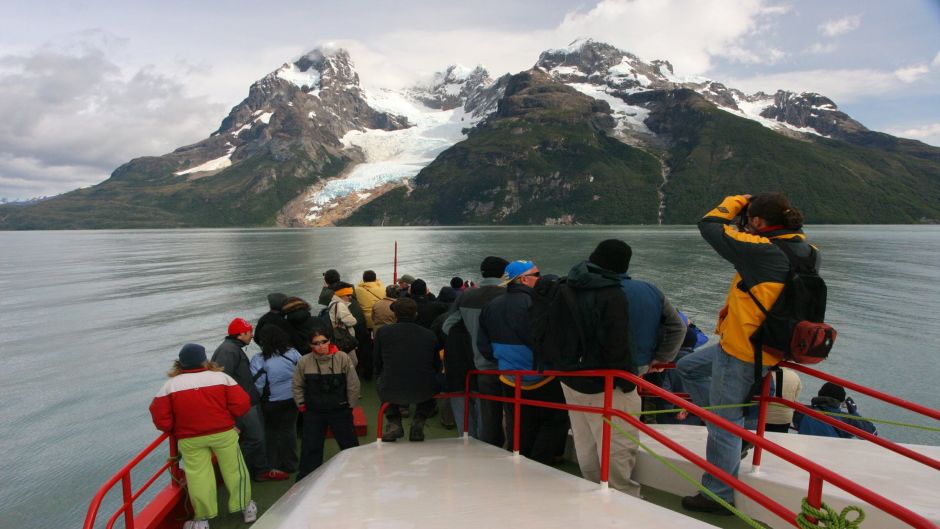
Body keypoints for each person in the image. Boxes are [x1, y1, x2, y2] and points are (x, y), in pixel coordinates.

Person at [679, 193, 814, 515]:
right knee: (689, 367)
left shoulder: (761, 251)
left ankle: (718, 494)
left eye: (750, 218)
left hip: (743, 350)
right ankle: (735, 433)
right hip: (766, 345)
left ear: (757, 221)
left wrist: (738, 200)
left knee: (724, 423)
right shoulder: (807, 250)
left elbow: (710, 225)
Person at [540, 241, 650, 496]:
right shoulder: (612, 294)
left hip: (570, 378)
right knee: (618, 444)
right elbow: (618, 344)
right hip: (605, 383)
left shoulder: (564, 286)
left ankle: (593, 489)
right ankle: (622, 496)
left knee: (585, 440)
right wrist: (628, 382)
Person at [149, 344, 257, 528]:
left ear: (181, 364)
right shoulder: (221, 378)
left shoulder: (170, 385)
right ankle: (245, 507)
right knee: (235, 469)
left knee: (198, 476)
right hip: (223, 433)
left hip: (190, 438)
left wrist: (173, 428)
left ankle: (203, 519)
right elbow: (242, 404)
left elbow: (159, 415)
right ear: (204, 360)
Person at [478, 260, 569, 465]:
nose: (540, 277)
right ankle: (540, 461)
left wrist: (503, 360)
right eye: (537, 274)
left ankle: (522, 461)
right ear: (523, 279)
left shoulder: (492, 305)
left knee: (521, 422)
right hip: (541, 376)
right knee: (555, 419)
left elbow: (483, 344)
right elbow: (545, 342)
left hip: (508, 377)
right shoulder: (536, 305)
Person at [442, 256, 509, 446]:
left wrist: (470, 335)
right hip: (502, 362)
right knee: (503, 409)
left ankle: (470, 443)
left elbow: (448, 326)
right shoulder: (508, 295)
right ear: (504, 274)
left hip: (472, 359)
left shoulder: (467, 295)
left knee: (480, 404)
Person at [211, 318, 289, 482]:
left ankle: (260, 469)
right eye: (249, 332)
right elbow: (221, 379)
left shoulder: (231, 349)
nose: (252, 336)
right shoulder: (228, 351)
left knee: (256, 437)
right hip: (243, 404)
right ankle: (239, 473)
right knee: (256, 438)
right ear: (241, 334)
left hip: (247, 401)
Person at [293, 329, 361, 480]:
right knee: (311, 447)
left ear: (329, 341)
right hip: (314, 412)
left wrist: (350, 405)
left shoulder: (342, 358)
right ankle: (307, 477)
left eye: (324, 342)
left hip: (340, 409)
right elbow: (297, 385)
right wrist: (302, 405)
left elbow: (353, 383)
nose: (321, 346)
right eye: (316, 343)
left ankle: (356, 471)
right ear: (310, 345)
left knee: (349, 444)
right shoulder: (304, 362)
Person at [374, 298, 442, 442]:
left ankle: (394, 422)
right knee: (432, 386)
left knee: (383, 382)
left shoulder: (383, 332)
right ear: (415, 314)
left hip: (391, 388)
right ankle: (419, 419)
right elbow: (437, 365)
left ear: (395, 315)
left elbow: (377, 362)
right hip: (424, 389)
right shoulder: (429, 334)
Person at [250, 326, 303, 474]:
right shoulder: (293, 354)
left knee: (271, 433)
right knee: (289, 430)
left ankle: (272, 465)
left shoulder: (259, 360)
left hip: (271, 402)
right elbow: (302, 373)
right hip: (292, 398)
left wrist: (258, 398)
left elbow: (258, 384)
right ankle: (291, 463)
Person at [793, 383, 877, 438]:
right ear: (840, 402)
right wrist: (854, 413)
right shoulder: (846, 419)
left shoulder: (801, 412)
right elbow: (873, 433)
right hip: (829, 459)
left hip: (804, 455)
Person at [354, 271, 384, 381]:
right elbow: (378, 281)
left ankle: (367, 370)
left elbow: (359, 286)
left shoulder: (358, 290)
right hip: (378, 320)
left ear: (363, 279)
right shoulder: (382, 287)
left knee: (365, 346)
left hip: (366, 322)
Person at [327, 281, 359, 366]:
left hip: (337, 336)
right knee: (352, 362)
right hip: (345, 338)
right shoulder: (340, 305)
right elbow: (352, 321)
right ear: (341, 294)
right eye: (348, 295)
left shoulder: (332, 303)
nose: (350, 297)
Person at [765, 367, 802, 433]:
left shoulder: (764, 373)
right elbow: (795, 398)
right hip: (784, 418)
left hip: (763, 417)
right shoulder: (795, 376)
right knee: (777, 441)